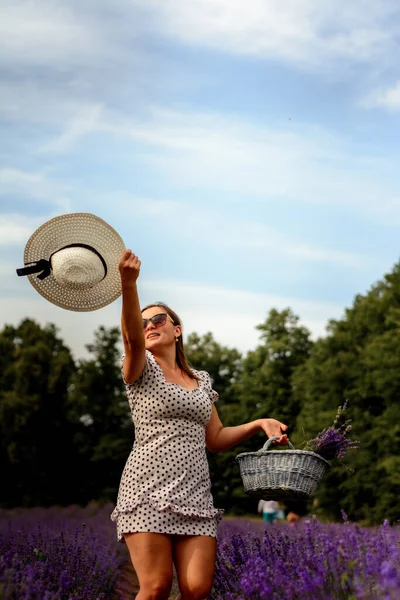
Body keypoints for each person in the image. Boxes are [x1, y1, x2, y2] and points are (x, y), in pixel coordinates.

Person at [110, 250, 289, 600]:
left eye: (158, 319)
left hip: (195, 493)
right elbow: (131, 339)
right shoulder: (139, 369)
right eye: (144, 321)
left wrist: (258, 423)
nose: (149, 326)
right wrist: (129, 285)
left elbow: (217, 438)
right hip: (147, 489)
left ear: (177, 330)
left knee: (197, 589)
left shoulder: (200, 381)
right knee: (156, 586)